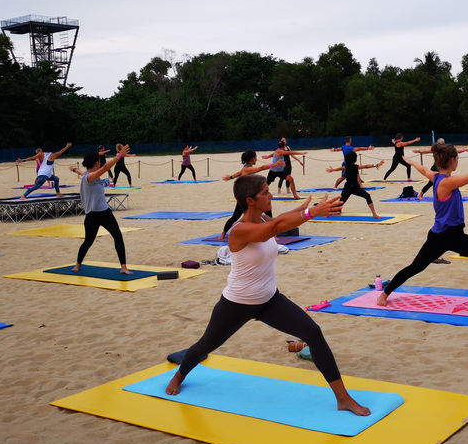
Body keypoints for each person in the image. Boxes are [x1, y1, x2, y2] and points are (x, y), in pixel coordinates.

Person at [164, 174, 371, 417]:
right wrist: (311, 213)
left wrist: (302, 210)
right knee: (206, 345)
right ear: (250, 200)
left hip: (269, 300)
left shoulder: (262, 217)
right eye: (265, 192)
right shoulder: (238, 231)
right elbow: (271, 229)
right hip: (237, 304)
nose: (271, 195)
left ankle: (343, 398)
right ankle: (179, 376)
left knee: (313, 333)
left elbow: (277, 222)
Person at [376, 139, 468, 310]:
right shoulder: (446, 182)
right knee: (417, 266)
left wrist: (412, 162)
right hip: (447, 236)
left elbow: (423, 170)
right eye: (457, 159)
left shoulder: (436, 177)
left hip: (445, 235)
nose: (457, 161)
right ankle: (384, 294)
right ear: (452, 161)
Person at [69, 148, 132, 275]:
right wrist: (119, 155)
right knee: (88, 241)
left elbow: (83, 173)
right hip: (92, 215)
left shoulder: (88, 175)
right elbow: (104, 168)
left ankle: (123, 267)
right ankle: (77, 264)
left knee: (118, 236)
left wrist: (74, 170)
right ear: (97, 163)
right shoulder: (90, 177)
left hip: (105, 213)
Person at [220, 151, 281, 238]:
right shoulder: (246, 169)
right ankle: (223, 233)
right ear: (252, 159)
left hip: (252, 195)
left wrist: (230, 177)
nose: (256, 159)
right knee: (236, 216)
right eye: (255, 157)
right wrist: (274, 165)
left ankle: (272, 233)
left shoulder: (245, 168)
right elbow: (261, 168)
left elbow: (238, 173)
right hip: (245, 198)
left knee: (268, 212)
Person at [326, 151, 384, 218]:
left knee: (341, 203)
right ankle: (374, 214)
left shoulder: (347, 166)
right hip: (352, 187)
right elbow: (366, 166)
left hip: (350, 187)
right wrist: (376, 165)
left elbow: (340, 168)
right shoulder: (354, 166)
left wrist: (333, 170)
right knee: (341, 203)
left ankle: (374, 214)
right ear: (355, 159)